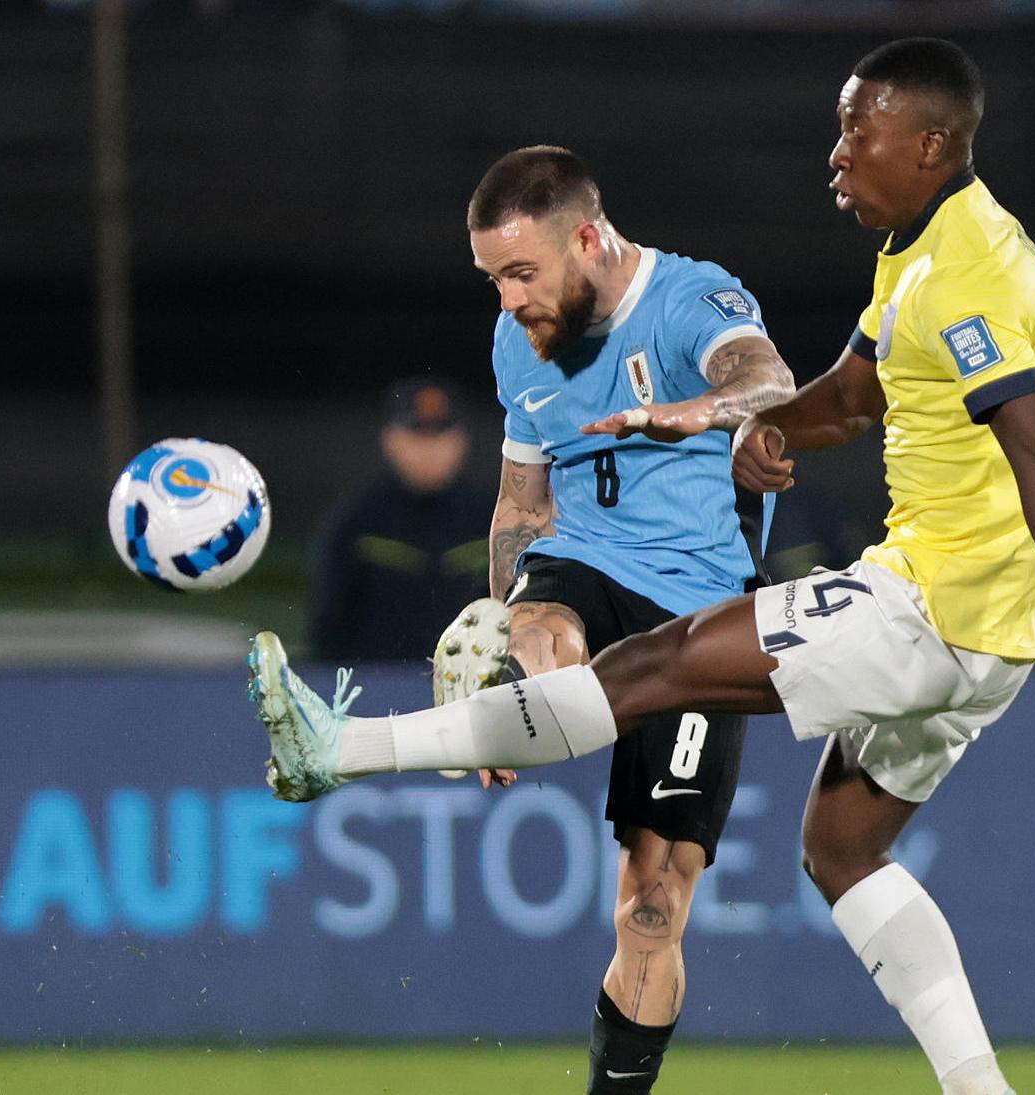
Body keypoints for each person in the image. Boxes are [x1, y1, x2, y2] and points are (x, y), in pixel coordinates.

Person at [248, 40, 1035, 1095]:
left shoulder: (959, 276)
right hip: (991, 639)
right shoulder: (925, 253)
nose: (837, 154)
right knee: (841, 849)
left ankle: (340, 747)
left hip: (934, 605)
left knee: (652, 669)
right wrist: (772, 431)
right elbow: (846, 394)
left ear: (929, 144)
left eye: (858, 130)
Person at [327, 145, 796, 1094]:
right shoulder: (520, 339)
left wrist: (694, 412)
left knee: (650, 908)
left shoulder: (689, 300)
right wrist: (501, 635)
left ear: (586, 238)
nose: (506, 299)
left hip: (703, 607)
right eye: (491, 277)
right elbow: (519, 510)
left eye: (521, 272)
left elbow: (771, 381)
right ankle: (506, 703)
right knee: (543, 618)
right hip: (583, 559)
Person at [305, 379, 490, 662]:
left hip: (473, 695)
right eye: (416, 434)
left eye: (440, 434)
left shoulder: (491, 520)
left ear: (461, 442)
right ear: (390, 440)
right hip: (377, 692)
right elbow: (327, 629)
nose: (429, 448)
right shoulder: (356, 521)